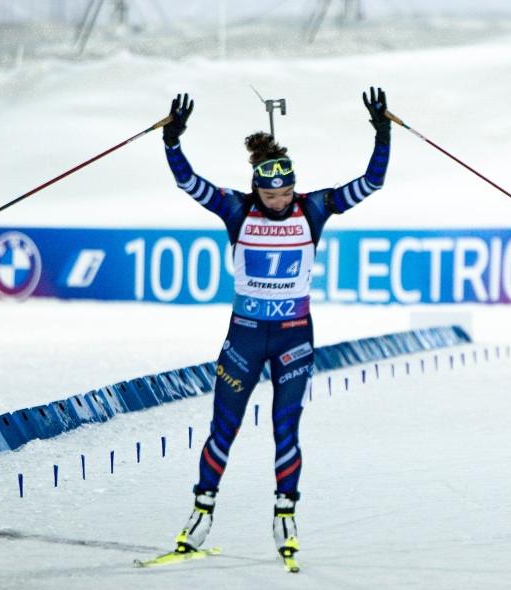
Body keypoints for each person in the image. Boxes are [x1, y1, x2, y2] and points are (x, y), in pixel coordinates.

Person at [160, 87, 392, 565]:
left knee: (286, 428)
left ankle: (285, 515)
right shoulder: (237, 210)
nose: (280, 201)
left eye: (285, 193)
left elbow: (371, 183)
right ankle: (200, 514)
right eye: (271, 195)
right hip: (244, 336)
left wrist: (382, 134)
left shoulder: (314, 208)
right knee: (223, 428)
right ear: (257, 190)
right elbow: (190, 184)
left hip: (293, 338)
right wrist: (172, 143)